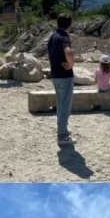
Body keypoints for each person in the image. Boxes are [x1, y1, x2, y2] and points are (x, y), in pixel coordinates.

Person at [47, 13, 76, 146]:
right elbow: (69, 52)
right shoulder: (64, 37)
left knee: (60, 103)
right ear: (69, 24)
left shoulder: (52, 36)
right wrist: (71, 64)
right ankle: (62, 135)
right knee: (65, 105)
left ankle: (62, 129)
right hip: (64, 75)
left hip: (55, 74)